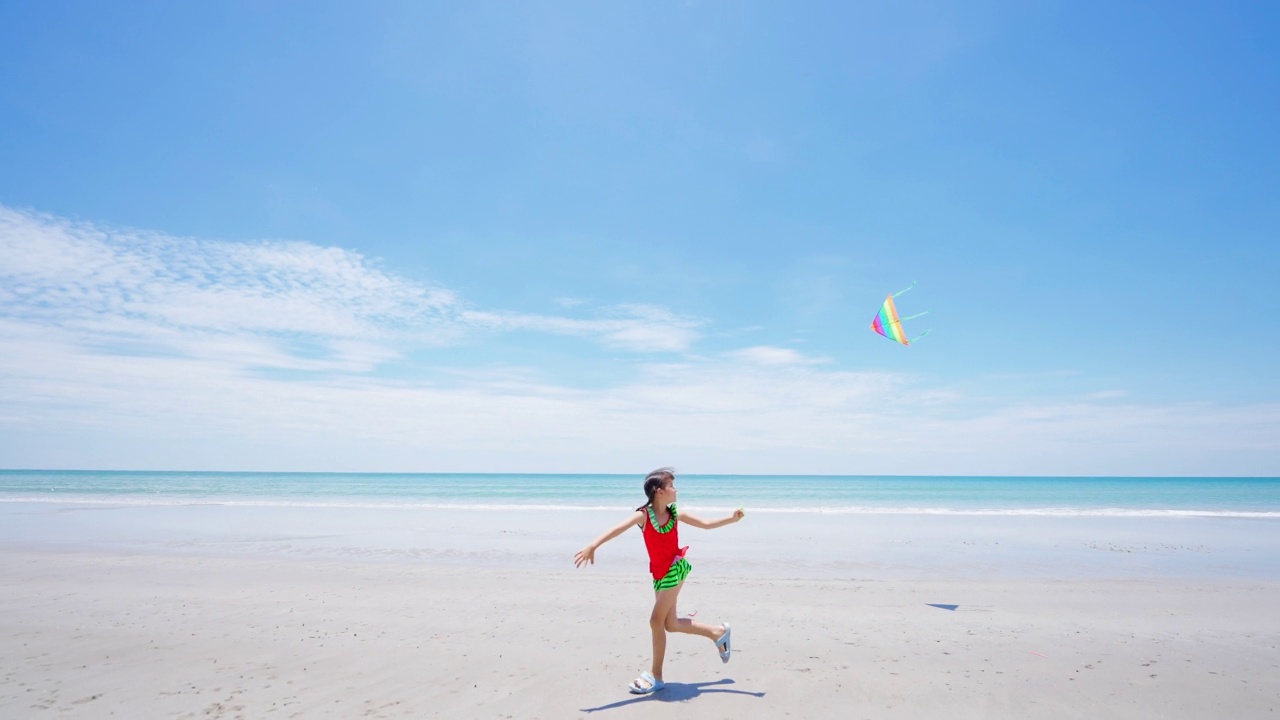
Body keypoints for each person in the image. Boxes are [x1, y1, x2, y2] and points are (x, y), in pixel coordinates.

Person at [573, 467, 745, 695]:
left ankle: (656, 676)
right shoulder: (643, 516)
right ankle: (717, 633)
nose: (676, 489)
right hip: (659, 575)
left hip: (676, 569)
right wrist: (593, 545)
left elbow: (705, 524)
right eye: (671, 485)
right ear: (658, 491)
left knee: (655, 621)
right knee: (670, 625)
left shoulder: (676, 514)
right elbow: (617, 529)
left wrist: (731, 519)